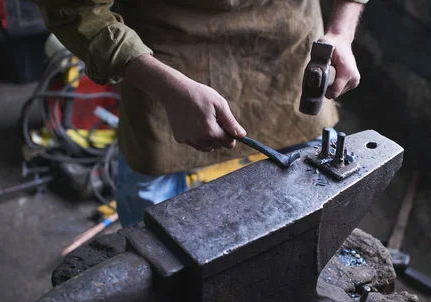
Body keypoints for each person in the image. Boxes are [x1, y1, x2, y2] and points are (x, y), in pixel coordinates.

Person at [33, 0, 367, 227]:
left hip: (286, 43)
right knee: (149, 220)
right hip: (163, 52)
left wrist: (342, 30)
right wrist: (164, 88)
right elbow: (75, 10)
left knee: (310, 186)